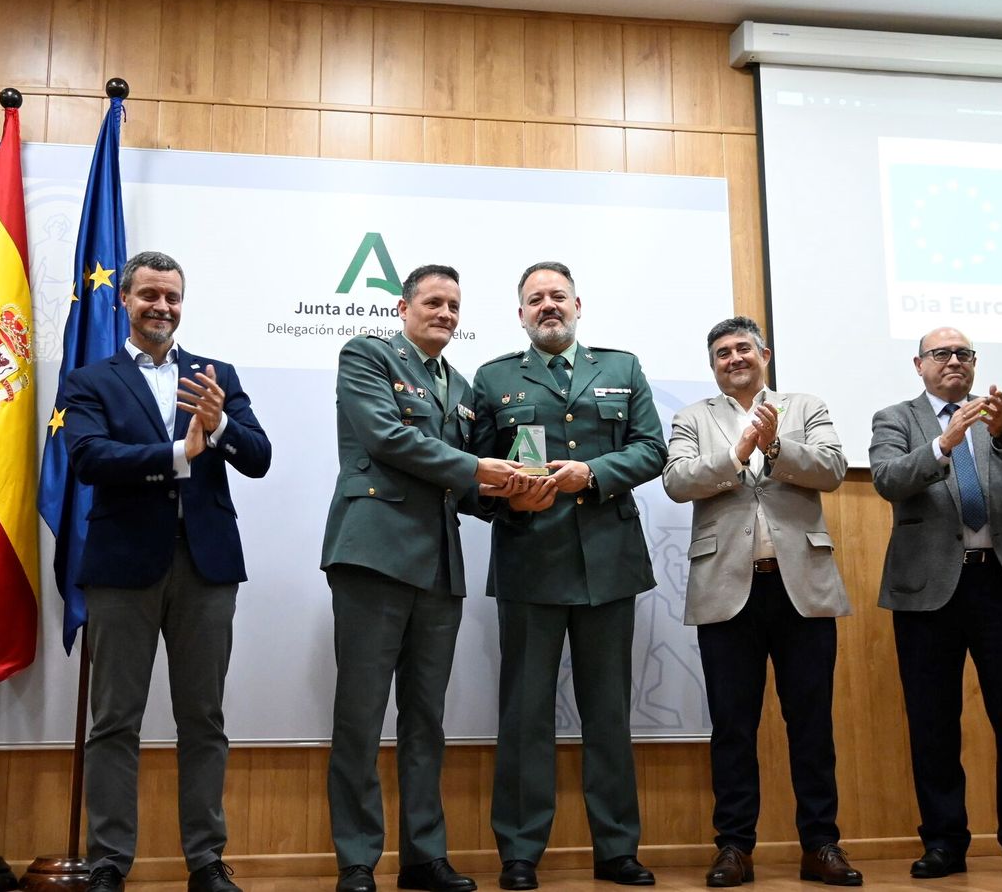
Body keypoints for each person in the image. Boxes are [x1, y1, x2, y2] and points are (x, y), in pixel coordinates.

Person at [61, 251, 272, 892]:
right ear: (124, 300)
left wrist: (222, 423)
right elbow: (90, 458)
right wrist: (181, 451)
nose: (162, 307)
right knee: (114, 720)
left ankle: (206, 861)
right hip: (123, 567)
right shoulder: (90, 380)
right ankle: (108, 864)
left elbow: (258, 458)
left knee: (203, 719)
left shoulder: (217, 376)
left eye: (172, 297)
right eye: (149, 294)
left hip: (206, 569)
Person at [320, 265, 529, 892]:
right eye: (434, 303)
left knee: (425, 720)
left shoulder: (459, 386)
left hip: (439, 566)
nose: (445, 313)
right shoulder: (366, 355)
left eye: (455, 306)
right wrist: (480, 469)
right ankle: (357, 860)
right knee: (360, 718)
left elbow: (462, 487)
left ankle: (422, 857)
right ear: (404, 308)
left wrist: (514, 497)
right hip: (373, 554)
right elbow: (387, 439)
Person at [469, 261, 666, 891]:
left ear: (578, 304)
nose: (548, 306)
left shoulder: (622, 367)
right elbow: (474, 468)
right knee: (525, 714)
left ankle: (616, 849)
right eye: (535, 299)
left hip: (608, 561)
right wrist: (505, 495)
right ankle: (521, 851)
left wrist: (595, 474)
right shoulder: (493, 376)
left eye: (557, 296)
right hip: (530, 560)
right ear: (520, 314)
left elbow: (652, 448)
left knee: (608, 713)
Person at [661, 317, 862, 888]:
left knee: (812, 725)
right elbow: (678, 481)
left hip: (803, 589)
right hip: (726, 591)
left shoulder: (805, 406)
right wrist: (738, 451)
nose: (733, 359)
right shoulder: (691, 417)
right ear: (712, 364)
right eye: (722, 353)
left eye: (742, 348)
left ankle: (821, 845)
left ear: (765, 354)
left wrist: (773, 444)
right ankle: (733, 847)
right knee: (732, 726)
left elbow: (832, 470)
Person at [867, 326, 1002, 880]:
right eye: (941, 353)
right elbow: (888, 478)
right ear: (919, 364)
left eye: (963, 353)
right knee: (933, 723)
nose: (953, 360)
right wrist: (944, 443)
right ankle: (944, 843)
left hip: (1001, 585)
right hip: (926, 590)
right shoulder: (895, 418)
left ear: (974, 363)